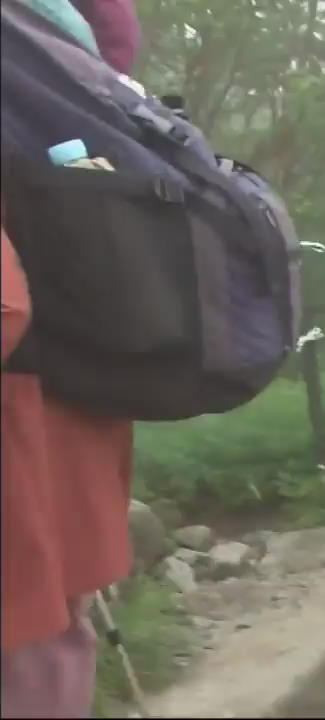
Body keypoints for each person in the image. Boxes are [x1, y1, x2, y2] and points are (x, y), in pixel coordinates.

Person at [0, 1, 139, 716]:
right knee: (56, 637)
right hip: (83, 395)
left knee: (33, 642)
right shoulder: (75, 107)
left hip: (24, 431)